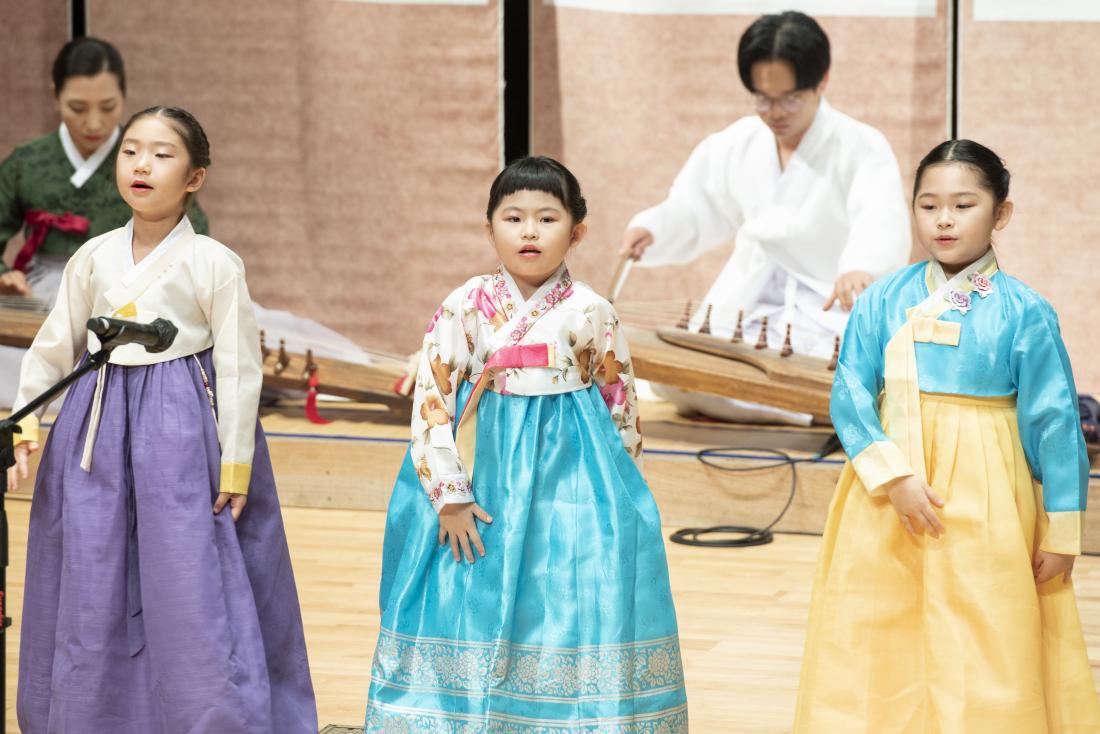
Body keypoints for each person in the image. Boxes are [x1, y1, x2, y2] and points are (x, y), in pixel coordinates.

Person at [6, 106, 316, 733]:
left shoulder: (213, 262)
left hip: (182, 435)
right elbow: (54, 343)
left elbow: (237, 368)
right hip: (95, 428)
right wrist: (27, 422)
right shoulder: (94, 256)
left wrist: (235, 462)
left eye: (162, 154)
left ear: (196, 177)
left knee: (188, 581)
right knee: (91, 576)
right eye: (131, 151)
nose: (141, 164)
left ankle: (205, 715)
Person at [365, 156, 688, 732]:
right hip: (483, 468)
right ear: (489, 228)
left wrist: (620, 496)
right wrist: (450, 494)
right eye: (513, 218)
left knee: (570, 598)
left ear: (577, 231)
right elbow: (432, 399)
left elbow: (621, 407)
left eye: (547, 217)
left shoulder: (591, 310)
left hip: (575, 474)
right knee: (466, 595)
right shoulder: (466, 304)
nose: (530, 232)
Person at [793, 140, 1100, 732]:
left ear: (1000, 214)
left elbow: (1055, 421)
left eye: (964, 204)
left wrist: (1063, 530)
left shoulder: (1025, 311)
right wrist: (895, 477)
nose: (944, 220)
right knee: (877, 623)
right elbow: (851, 395)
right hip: (886, 491)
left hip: (985, 490)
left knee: (985, 626)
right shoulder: (882, 299)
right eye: (929, 206)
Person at [621, 11, 909, 424]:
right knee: (676, 378)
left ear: (821, 81)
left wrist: (860, 267)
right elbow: (695, 205)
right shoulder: (738, 142)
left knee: (825, 376)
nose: (775, 112)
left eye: (790, 98)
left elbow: (879, 216)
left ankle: (808, 405)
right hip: (750, 299)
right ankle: (806, 410)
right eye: (762, 98)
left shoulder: (860, 145)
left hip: (825, 304)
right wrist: (654, 227)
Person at [0, 37, 208, 407]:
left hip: (135, 283)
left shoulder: (144, 157)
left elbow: (193, 230)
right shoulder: (28, 162)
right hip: (44, 292)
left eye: (109, 107)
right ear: (55, 95)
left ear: (124, 97)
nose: (93, 123)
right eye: (77, 107)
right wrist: (5, 276)